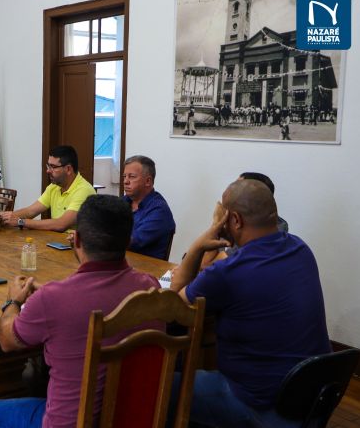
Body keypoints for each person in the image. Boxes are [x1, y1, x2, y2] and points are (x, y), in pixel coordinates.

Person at [0, 195, 163, 428]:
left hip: (71, 422)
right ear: (127, 240)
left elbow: (7, 341)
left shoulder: (53, 299)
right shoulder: (150, 287)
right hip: (132, 417)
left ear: (77, 240)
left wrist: (12, 302)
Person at [170, 180, 330, 428]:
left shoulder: (228, 271)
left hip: (258, 405)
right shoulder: (301, 249)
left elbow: (174, 303)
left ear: (234, 220)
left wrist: (198, 245)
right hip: (311, 399)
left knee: (158, 385)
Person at [200, 171, 289, 268]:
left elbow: (207, 266)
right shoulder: (236, 222)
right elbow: (205, 263)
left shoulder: (263, 233)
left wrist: (216, 223)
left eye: (238, 188)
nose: (232, 191)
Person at [0, 145, 95, 232]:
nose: (48, 171)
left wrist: (21, 222)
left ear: (68, 169)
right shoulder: (54, 187)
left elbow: (61, 224)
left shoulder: (84, 190)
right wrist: (5, 216)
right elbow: (30, 211)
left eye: (53, 167)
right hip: (57, 243)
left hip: (77, 248)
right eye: (48, 165)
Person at [122, 155, 175, 259]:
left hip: (150, 272)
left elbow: (131, 242)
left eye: (131, 176)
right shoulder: (123, 201)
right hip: (122, 264)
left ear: (148, 181)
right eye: (124, 176)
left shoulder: (159, 210)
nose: (125, 181)